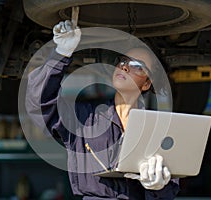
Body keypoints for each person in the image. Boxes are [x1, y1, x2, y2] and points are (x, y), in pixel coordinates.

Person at [26, 20, 180, 199]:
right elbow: (39, 102)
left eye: (136, 66)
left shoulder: (157, 130)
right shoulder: (84, 119)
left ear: (147, 84)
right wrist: (61, 53)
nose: (124, 66)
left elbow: (169, 191)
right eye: (123, 61)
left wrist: (159, 186)